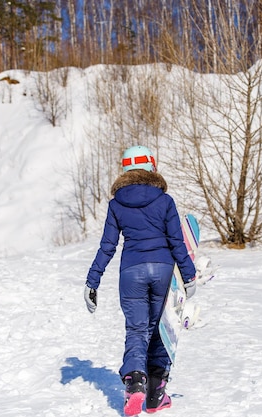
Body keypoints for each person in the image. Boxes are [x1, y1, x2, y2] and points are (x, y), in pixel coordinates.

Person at [84, 145, 197, 416]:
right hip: (162, 271)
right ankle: (156, 394)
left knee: (137, 330)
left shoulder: (116, 204)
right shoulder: (164, 200)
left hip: (131, 272)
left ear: (125, 170)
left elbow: (107, 246)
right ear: (151, 167)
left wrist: (93, 281)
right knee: (162, 328)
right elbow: (176, 242)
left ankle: (135, 384)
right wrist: (189, 274)